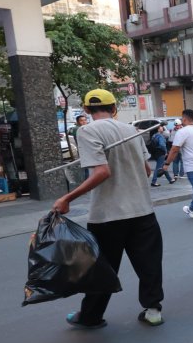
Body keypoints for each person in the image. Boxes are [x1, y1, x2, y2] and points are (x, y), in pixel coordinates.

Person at [53, 89, 165, 328]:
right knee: (149, 264)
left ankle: (91, 316)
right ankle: (153, 309)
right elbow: (146, 170)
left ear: (85, 110)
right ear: (114, 108)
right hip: (142, 210)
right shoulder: (132, 131)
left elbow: (102, 171)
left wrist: (67, 198)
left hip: (108, 215)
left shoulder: (87, 130)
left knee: (102, 267)